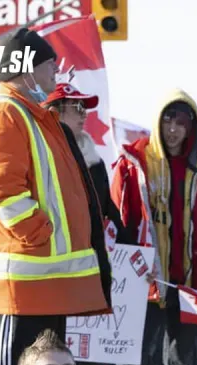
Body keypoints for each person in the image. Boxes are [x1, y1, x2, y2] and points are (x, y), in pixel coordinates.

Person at [0, 28, 113, 365]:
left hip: (46, 280)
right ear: (27, 69)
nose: (55, 72)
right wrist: (39, 235)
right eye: (50, 64)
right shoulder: (3, 113)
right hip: (24, 278)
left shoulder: (34, 117)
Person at [107, 89, 197, 365]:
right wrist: (126, 272)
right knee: (130, 363)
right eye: (167, 120)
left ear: (192, 128)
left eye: (182, 122)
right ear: (157, 123)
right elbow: (116, 224)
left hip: (188, 285)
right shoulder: (134, 163)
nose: (173, 129)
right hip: (145, 284)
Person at [41, 83, 132, 245]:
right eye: (77, 107)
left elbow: (108, 211)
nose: (84, 115)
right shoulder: (35, 157)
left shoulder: (94, 161)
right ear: (54, 112)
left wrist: (136, 255)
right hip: (48, 259)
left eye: (84, 108)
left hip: (89, 260)